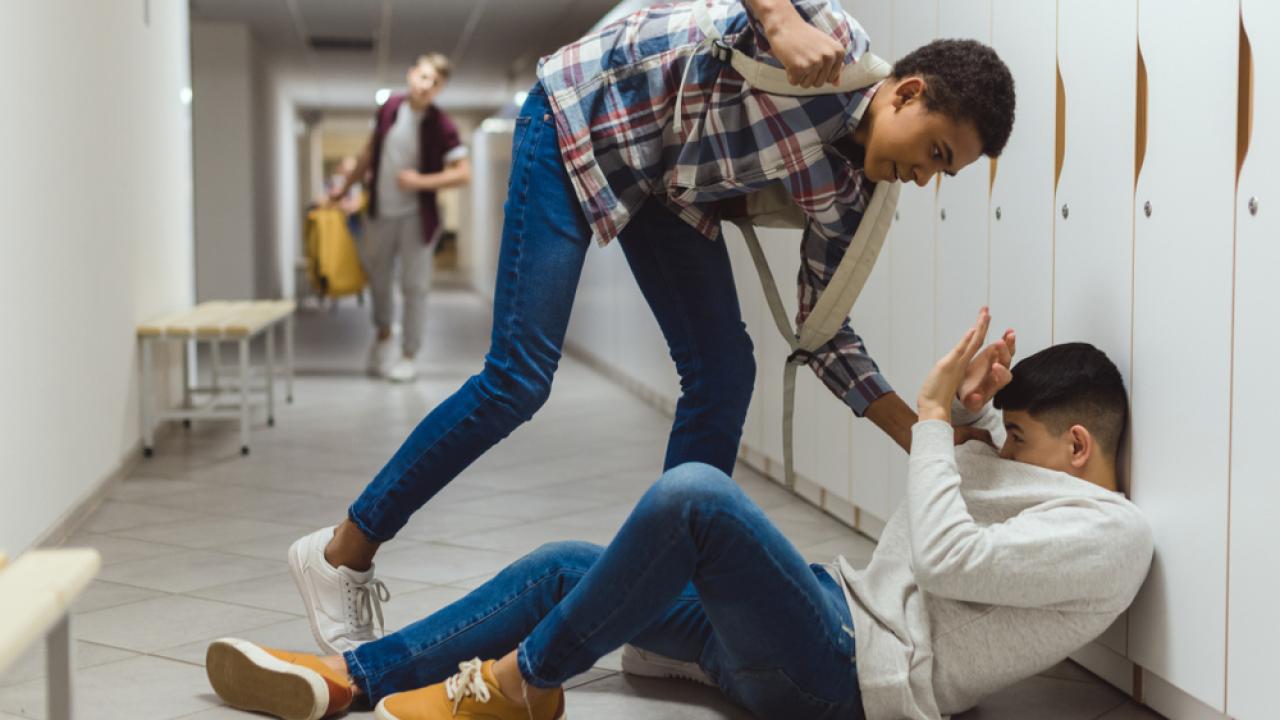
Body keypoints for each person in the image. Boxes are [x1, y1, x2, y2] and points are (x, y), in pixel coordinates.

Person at [286, 0, 1017, 656]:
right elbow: (760, 21)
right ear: (909, 93)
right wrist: (779, 18)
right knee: (519, 378)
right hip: (581, 118)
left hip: (664, 189)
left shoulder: (855, 196)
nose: (924, 176)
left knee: (727, 373)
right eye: (936, 152)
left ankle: (659, 597)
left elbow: (822, 332)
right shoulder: (829, 40)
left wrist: (929, 431)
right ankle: (342, 552)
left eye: (942, 172)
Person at [207, 309, 1153, 720]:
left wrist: (944, 422)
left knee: (695, 497)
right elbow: (959, 504)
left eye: (1020, 435)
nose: (1002, 448)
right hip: (816, 622)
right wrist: (977, 419)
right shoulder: (1028, 476)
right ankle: (348, 680)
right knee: (565, 565)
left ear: (1078, 448)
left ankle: (522, 683)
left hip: (844, 681)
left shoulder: (1110, 538)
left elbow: (948, 560)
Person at [329, 53, 471, 383]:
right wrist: (344, 190)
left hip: (417, 218)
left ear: (440, 89)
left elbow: (464, 174)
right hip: (380, 213)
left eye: (435, 83)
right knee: (378, 279)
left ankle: (409, 353)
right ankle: (383, 337)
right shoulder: (390, 108)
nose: (426, 86)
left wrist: (420, 182)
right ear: (410, 75)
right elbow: (368, 154)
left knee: (414, 286)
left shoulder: (441, 124)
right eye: (423, 77)